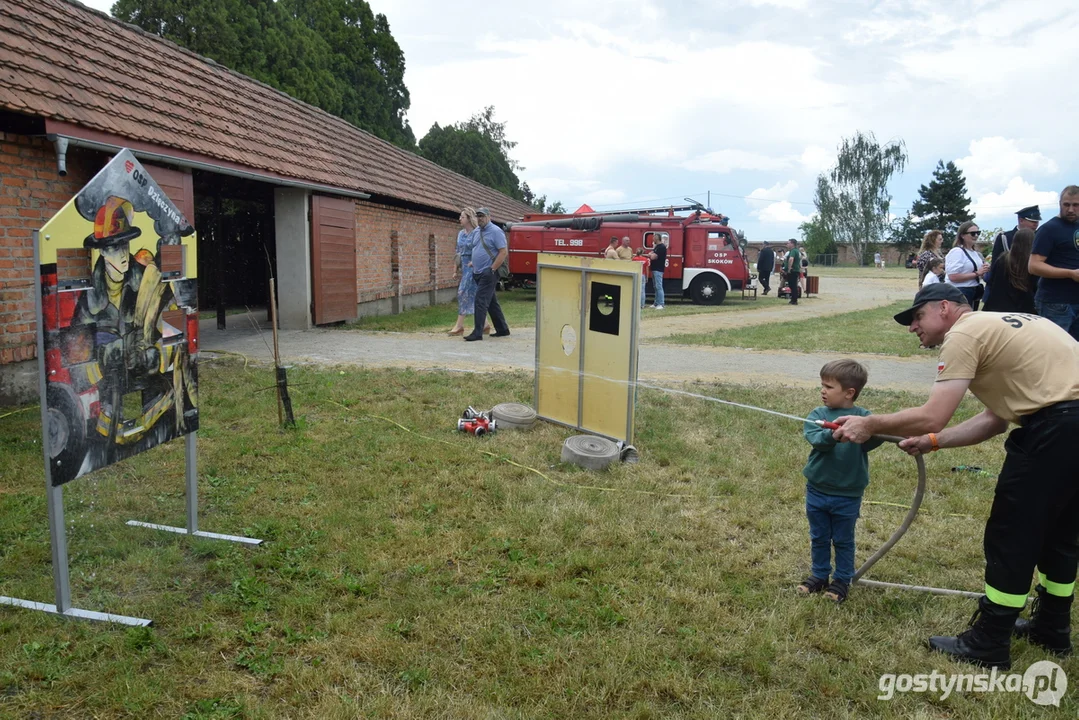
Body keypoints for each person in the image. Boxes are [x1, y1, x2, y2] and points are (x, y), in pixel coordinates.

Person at [832, 283, 1079, 668]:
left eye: (917, 317)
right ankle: (1053, 629)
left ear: (945, 307)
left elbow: (934, 413)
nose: (913, 327)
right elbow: (996, 419)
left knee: (1012, 535)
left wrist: (870, 423)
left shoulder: (964, 332)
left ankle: (989, 642)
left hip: (1057, 430)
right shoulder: (1006, 325)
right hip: (1069, 425)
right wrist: (934, 442)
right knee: (1061, 533)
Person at [797, 359, 884, 604]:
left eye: (829, 387)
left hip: (848, 493)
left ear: (849, 393)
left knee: (844, 539)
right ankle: (819, 574)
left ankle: (842, 579)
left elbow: (873, 440)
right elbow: (816, 440)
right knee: (819, 536)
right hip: (817, 489)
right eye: (822, 385)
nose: (822, 391)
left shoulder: (864, 418)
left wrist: (872, 431)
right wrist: (833, 434)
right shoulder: (818, 415)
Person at [1029, 186, 1079, 340]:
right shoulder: (1049, 229)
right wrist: (1070, 274)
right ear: (1060, 204)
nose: (1071, 209)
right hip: (1056, 302)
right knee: (1055, 353)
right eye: (1066, 204)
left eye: (1076, 205)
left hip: (1075, 300)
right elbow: (1034, 266)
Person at [464, 208, 510, 341]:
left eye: (482, 216)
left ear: (489, 217)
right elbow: (476, 248)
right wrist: (474, 262)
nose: (480, 219)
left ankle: (477, 332)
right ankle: (502, 329)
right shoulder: (477, 231)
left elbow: (503, 252)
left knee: (480, 300)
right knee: (491, 302)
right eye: (478, 216)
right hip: (477, 272)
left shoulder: (496, 231)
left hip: (489, 272)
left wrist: (492, 268)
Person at [449, 207, 490, 336]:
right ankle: (485, 325)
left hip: (474, 267)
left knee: (462, 293)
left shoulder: (477, 232)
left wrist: (475, 261)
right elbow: (458, 252)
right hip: (464, 266)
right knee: (472, 295)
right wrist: (455, 270)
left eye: (462, 217)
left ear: (468, 218)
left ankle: (459, 325)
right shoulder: (461, 234)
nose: (459, 219)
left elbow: (481, 249)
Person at [983, 228, 1037, 314]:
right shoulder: (1031, 263)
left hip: (998, 304)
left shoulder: (1002, 259)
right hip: (1024, 306)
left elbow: (993, 279)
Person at [944, 221, 988, 310]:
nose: (976, 236)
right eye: (972, 233)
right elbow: (953, 276)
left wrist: (985, 270)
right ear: (962, 235)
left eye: (978, 233)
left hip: (974, 290)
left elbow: (979, 273)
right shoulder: (957, 252)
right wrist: (977, 273)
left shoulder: (975, 253)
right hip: (960, 292)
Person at [648, 235, 667, 309]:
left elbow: (653, 256)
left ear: (657, 238)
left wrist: (651, 255)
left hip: (658, 269)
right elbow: (651, 253)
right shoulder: (657, 247)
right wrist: (651, 254)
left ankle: (661, 303)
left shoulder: (662, 247)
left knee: (659, 286)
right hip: (654, 268)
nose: (653, 239)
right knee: (655, 287)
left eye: (654, 238)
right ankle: (656, 303)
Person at [783, 238, 802, 305]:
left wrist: (789, 268)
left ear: (792, 244)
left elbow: (791, 259)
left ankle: (794, 300)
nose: (787, 244)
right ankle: (793, 299)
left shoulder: (793, 251)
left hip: (793, 270)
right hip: (795, 270)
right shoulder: (796, 251)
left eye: (788, 243)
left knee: (793, 285)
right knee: (792, 285)